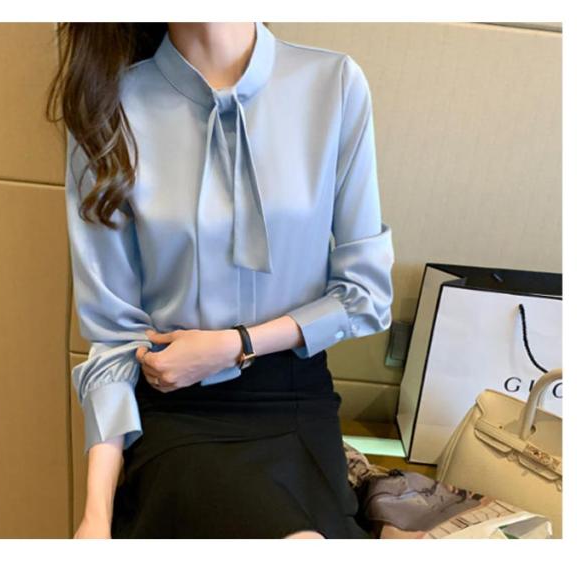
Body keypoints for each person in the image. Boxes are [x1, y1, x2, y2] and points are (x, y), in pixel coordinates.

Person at [47, 21, 395, 539]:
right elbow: (114, 339)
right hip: (176, 410)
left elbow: (366, 295)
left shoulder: (334, 85)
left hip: (294, 400)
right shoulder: (107, 109)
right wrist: (95, 516)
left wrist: (237, 344)